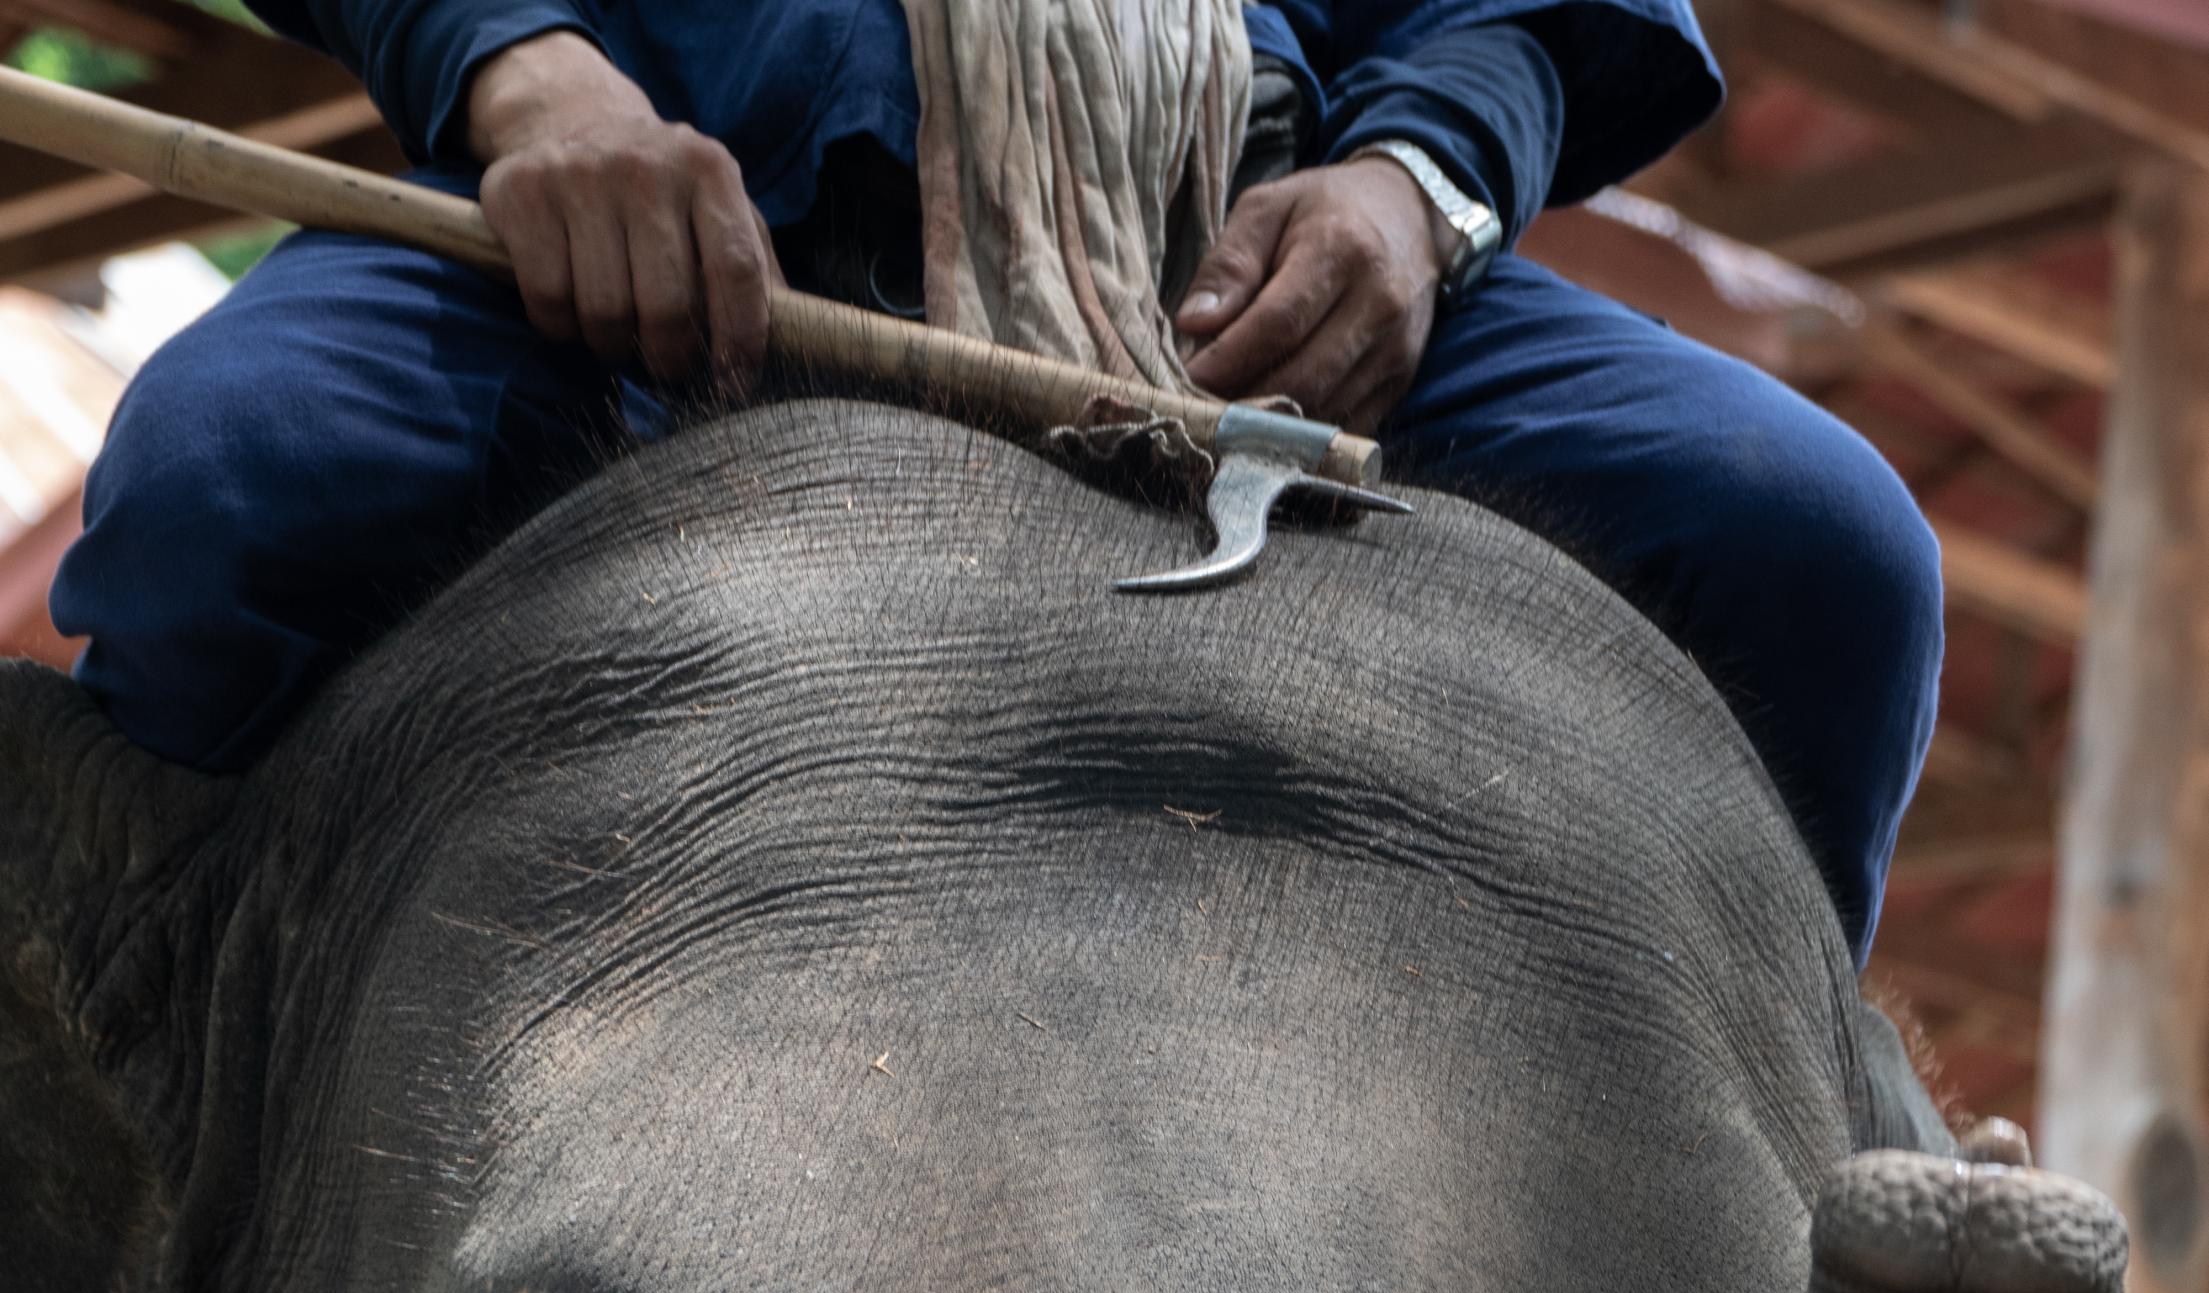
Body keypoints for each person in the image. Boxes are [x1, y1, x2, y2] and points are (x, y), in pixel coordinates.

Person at [50, 0, 1941, 963]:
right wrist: (524, 78)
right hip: (659, 218)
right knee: (238, 481)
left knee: (1812, 552)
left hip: (1250, 263)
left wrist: (1413, 190)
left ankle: (1778, 1263)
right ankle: (138, 1208)